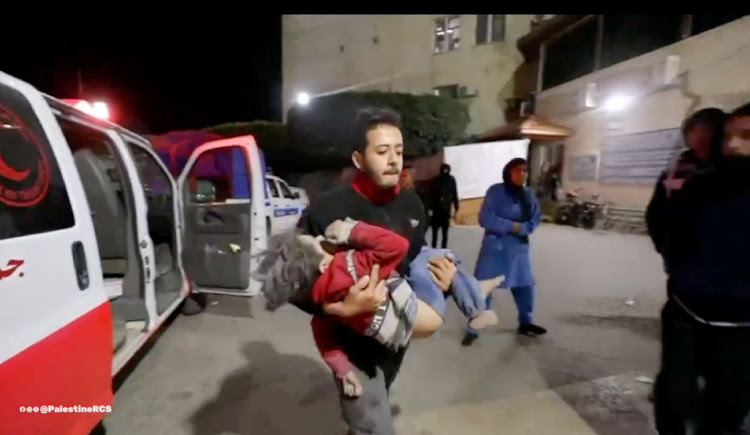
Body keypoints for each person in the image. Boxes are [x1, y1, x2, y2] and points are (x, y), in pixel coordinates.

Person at [296, 107, 458, 434]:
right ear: (358, 159)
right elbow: (293, 280)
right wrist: (339, 308)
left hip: (394, 338)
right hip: (349, 345)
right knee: (374, 427)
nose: (394, 160)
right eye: (382, 151)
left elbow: (415, 259)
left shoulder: (413, 205)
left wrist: (444, 280)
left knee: (372, 412)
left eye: (399, 151)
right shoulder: (325, 209)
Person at [254, 219, 502, 397]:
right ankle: (475, 303)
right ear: (323, 264)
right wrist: (352, 230)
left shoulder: (325, 307)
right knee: (429, 254)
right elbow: (397, 246)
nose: (322, 239)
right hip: (423, 310)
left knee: (425, 260)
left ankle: (473, 295)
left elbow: (326, 343)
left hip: (405, 330)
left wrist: (343, 371)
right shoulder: (348, 264)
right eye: (318, 244)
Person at [653, 102, 750, 435]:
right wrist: (679, 272)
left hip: (742, 324)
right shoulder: (697, 182)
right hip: (686, 312)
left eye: (747, 136)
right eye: (729, 136)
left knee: (728, 408)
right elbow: (669, 229)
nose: (733, 145)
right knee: (676, 397)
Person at [462, 157, 546, 346]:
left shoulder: (527, 194)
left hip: (518, 249)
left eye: (524, 170)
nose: (521, 174)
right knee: (484, 287)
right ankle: (474, 326)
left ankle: (526, 322)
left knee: (524, 286)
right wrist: (512, 226)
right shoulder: (496, 191)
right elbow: (485, 218)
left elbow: (534, 219)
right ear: (508, 172)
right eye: (517, 170)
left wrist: (523, 229)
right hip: (495, 247)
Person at [646, 107, 727, 259]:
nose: (698, 136)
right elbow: (655, 211)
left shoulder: (731, 170)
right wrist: (665, 246)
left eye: (705, 129)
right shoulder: (674, 170)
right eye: (693, 130)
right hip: (680, 257)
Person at [429, 163, 459, 248]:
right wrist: (430, 208)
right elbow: (431, 195)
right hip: (437, 210)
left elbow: (454, 194)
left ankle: (443, 249)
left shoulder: (451, 180)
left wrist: (456, 208)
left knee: (444, 232)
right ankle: (434, 248)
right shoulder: (436, 180)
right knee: (435, 232)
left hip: (445, 210)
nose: (445, 172)